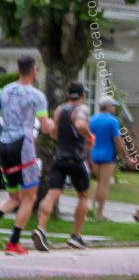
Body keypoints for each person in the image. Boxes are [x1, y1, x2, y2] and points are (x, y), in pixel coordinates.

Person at [0, 55, 55, 255]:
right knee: (30, 197)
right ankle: (13, 242)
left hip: (4, 144)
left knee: (14, 197)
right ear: (34, 70)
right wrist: (53, 125)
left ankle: (13, 241)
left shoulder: (4, 91)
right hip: (23, 145)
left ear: (17, 68)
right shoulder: (36, 96)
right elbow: (46, 126)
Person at [34, 82, 94, 251]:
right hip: (75, 158)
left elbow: (53, 132)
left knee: (53, 193)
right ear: (83, 95)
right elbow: (81, 125)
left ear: (68, 95)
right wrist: (89, 136)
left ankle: (41, 228)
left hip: (59, 157)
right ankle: (76, 236)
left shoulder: (60, 110)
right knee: (83, 195)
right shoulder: (82, 109)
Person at [89, 97, 137, 221]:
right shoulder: (113, 121)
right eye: (113, 106)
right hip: (107, 155)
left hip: (94, 154)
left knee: (98, 182)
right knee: (104, 185)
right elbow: (118, 140)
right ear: (108, 106)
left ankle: (91, 207)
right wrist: (127, 156)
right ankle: (100, 213)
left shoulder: (92, 119)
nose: (115, 108)